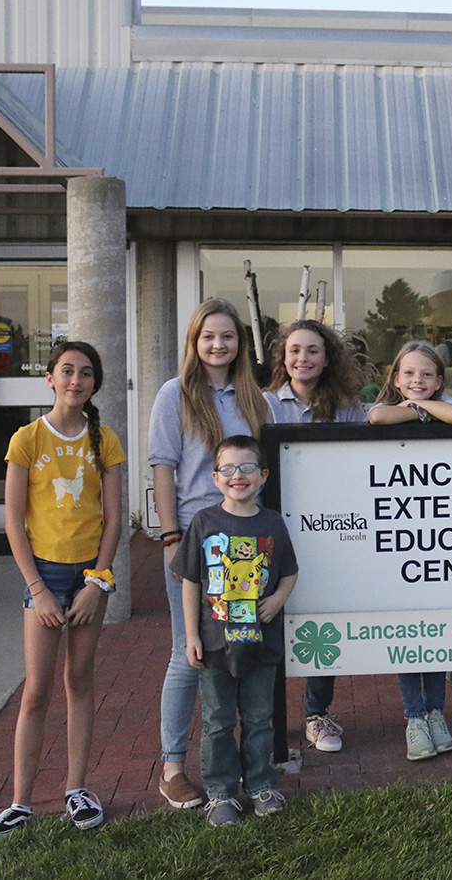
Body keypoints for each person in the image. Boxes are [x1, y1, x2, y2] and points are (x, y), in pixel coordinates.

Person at [0, 342, 124, 844]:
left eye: (86, 373)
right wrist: (37, 590)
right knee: (37, 691)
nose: (76, 380)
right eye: (67, 371)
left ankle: (77, 788)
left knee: (79, 680)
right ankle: (20, 802)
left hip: (88, 578)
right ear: (49, 378)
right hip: (43, 574)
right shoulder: (26, 439)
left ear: (94, 383)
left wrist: (96, 582)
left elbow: (114, 521)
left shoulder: (104, 439)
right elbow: (14, 524)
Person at [149, 298, 269, 808]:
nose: (218, 345)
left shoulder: (253, 396)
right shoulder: (175, 394)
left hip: (246, 541)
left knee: (243, 648)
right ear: (194, 343)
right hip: (196, 540)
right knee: (189, 652)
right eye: (208, 337)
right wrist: (172, 536)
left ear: (240, 344)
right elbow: (162, 467)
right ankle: (173, 767)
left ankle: (254, 763)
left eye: (228, 336)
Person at [172, 435, 299, 827]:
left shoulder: (272, 522)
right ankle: (221, 793)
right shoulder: (205, 523)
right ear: (215, 477)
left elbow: (290, 573)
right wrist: (192, 635)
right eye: (227, 469)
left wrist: (277, 599)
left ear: (263, 476)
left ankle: (260, 784)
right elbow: (190, 581)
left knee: (260, 718)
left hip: (262, 643)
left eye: (246, 468)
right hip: (214, 642)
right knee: (218, 720)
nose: (237, 476)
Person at [263, 319, 364, 753]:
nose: (302, 358)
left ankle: (317, 714)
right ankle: (266, 720)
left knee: (322, 623)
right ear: (283, 357)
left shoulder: (347, 406)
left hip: (327, 532)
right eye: (295, 350)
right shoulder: (263, 405)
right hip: (271, 529)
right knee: (269, 625)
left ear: (327, 358)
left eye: (313, 351)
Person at [368, 341, 452, 759]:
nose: (417, 381)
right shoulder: (388, 405)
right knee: (410, 634)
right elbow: (376, 416)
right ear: (395, 378)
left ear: (440, 380)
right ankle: (415, 718)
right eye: (408, 375)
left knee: (439, 632)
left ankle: (437, 714)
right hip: (404, 536)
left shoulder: (449, 402)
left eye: (427, 375)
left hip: (445, 533)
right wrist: (412, 406)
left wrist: (420, 406)